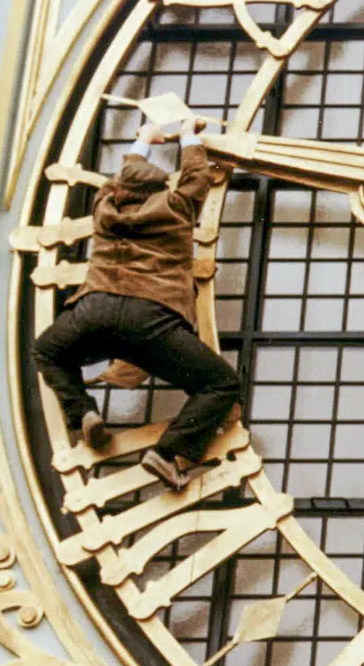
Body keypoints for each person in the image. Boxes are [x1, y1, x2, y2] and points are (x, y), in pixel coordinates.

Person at [33, 117, 242, 491]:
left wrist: (145, 137)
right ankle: (168, 454)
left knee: (48, 351)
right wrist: (190, 135)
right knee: (220, 383)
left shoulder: (105, 206)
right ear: (163, 187)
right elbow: (197, 175)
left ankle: (83, 414)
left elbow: (123, 174)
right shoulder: (177, 205)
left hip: (94, 310)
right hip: (151, 318)